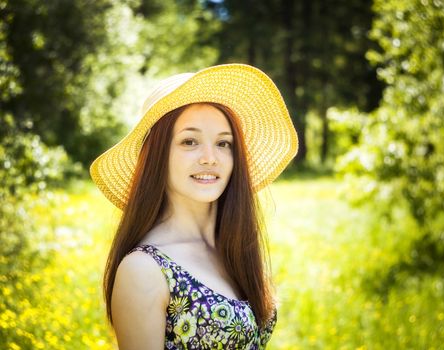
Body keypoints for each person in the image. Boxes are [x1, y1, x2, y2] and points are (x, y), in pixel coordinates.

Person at [90, 63, 298, 349]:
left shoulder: (234, 248)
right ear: (157, 156)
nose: (210, 158)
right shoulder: (144, 269)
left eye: (224, 144)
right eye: (190, 141)